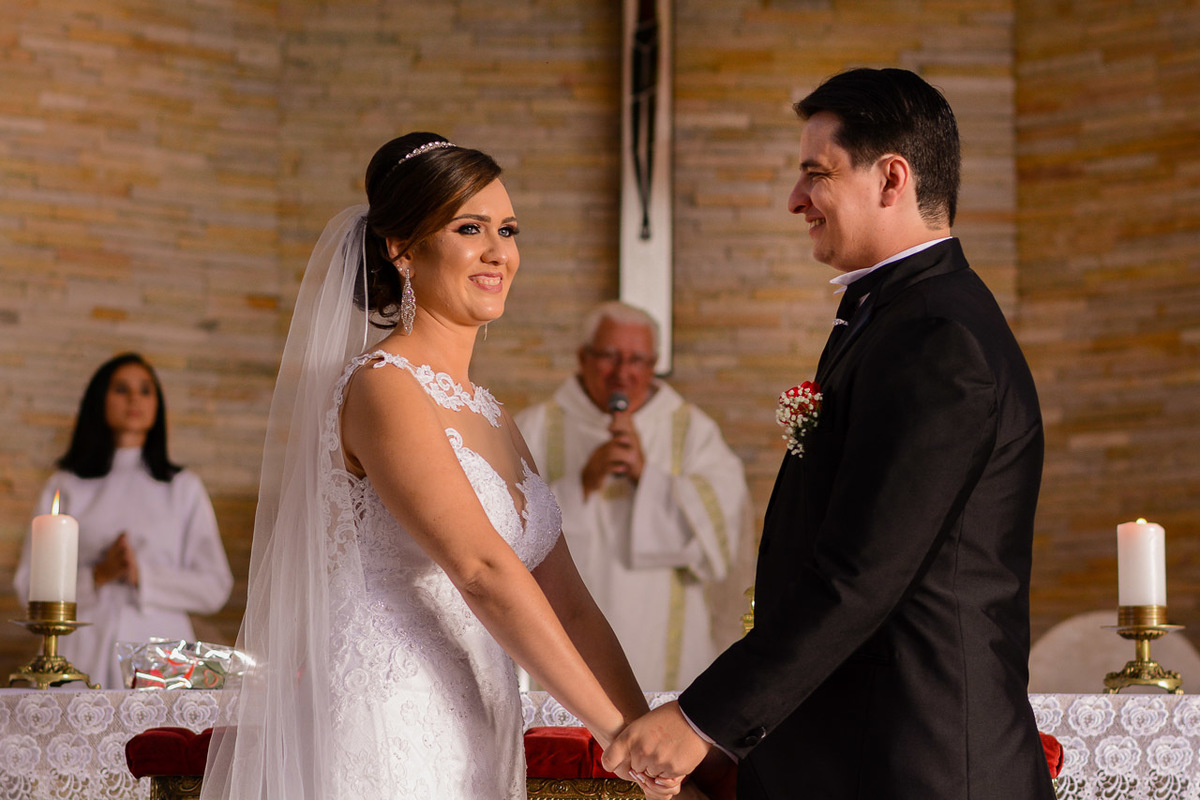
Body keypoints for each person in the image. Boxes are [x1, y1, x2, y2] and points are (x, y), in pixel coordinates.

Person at [604, 68, 1058, 799]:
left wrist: (701, 721)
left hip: (923, 765)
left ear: (891, 178)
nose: (795, 200)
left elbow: (861, 577)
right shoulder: (893, 320)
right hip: (858, 756)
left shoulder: (939, 338)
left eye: (816, 173)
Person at [200, 133, 696, 800]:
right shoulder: (384, 387)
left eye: (509, 230)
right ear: (401, 248)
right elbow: (482, 569)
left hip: (480, 715)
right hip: (390, 712)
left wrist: (646, 732)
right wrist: (618, 739)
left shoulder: (495, 416)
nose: (500, 252)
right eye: (470, 227)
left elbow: (569, 603)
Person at [515, 301, 750, 690]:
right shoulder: (537, 427)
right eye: (609, 356)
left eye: (637, 359)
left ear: (654, 363)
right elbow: (505, 528)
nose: (623, 372)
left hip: (664, 633)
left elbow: (720, 535)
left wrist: (648, 477)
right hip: (566, 626)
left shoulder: (691, 431)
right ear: (582, 358)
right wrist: (583, 483)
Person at [13, 352, 233, 690]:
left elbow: (215, 587)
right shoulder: (67, 484)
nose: (134, 398)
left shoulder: (183, 488)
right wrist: (99, 575)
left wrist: (140, 574)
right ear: (99, 399)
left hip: (161, 655)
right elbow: (28, 583)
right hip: (79, 650)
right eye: (121, 389)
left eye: (146, 390)